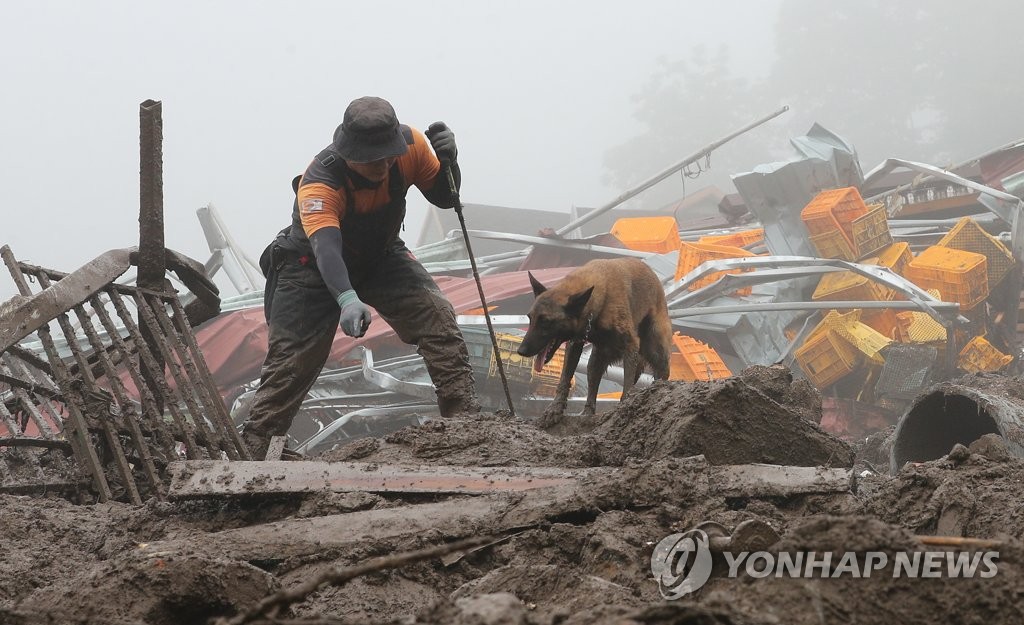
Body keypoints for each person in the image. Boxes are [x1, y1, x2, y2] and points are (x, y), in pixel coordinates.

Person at [241, 96, 480, 459]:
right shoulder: (319, 183)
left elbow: (447, 199)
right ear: (350, 153)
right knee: (293, 360)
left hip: (381, 256)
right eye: (372, 160)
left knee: (437, 317)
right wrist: (347, 298)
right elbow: (326, 251)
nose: (383, 165)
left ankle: (463, 423)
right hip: (309, 267)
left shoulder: (411, 146)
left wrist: (451, 162)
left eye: (388, 155)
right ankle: (256, 448)